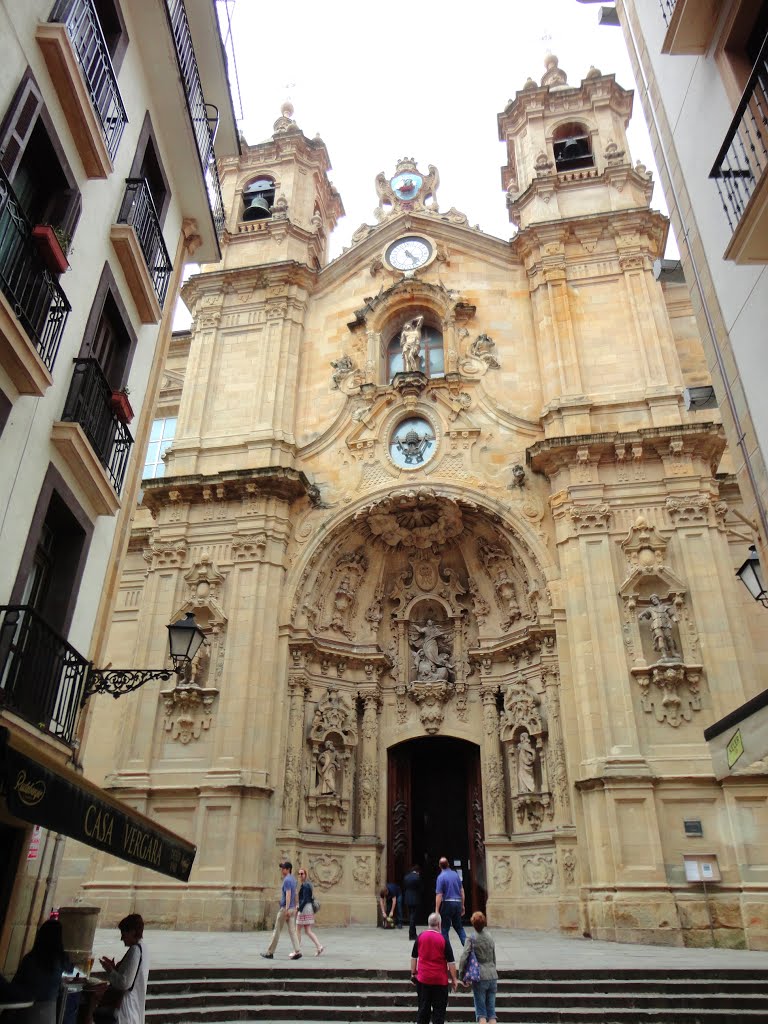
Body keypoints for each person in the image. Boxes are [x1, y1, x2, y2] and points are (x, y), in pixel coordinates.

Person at [6, 919, 71, 1024]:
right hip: (49, 1013)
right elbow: (70, 969)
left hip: (26, 1010)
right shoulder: (61, 959)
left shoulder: (30, 959)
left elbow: (16, 983)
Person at [96, 913, 148, 1024]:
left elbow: (125, 983)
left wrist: (110, 970)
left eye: (123, 934)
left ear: (133, 932)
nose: (122, 939)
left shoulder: (135, 950)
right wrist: (115, 969)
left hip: (126, 1008)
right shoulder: (143, 948)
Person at [410, 911, 458, 1024]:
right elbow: (451, 962)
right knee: (439, 1013)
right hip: (440, 982)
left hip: (423, 980)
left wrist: (413, 973)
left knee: (423, 1011)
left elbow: (413, 957)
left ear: (428, 924)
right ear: (439, 925)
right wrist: (454, 979)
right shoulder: (443, 939)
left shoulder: (420, 937)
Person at [458, 910, 498, 1024]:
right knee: (491, 1013)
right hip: (492, 975)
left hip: (480, 976)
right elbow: (493, 956)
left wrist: (461, 975)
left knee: (481, 1013)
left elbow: (464, 957)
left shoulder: (471, 938)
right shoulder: (490, 936)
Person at [261, 861, 302, 960]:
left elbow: (288, 895)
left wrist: (286, 909)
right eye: (282, 868)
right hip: (292, 908)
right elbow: (296, 893)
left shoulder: (287, 880)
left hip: (286, 908)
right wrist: (297, 905)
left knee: (277, 930)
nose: (282, 870)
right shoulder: (293, 879)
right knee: (292, 931)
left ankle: (270, 952)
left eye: (283, 868)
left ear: (288, 869)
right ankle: (297, 951)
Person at [435, 856, 466, 946]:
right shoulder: (456, 875)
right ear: (448, 864)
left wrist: (437, 910)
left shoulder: (441, 877)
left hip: (447, 903)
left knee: (444, 929)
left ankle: (447, 952)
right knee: (459, 927)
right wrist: (462, 905)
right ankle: (468, 949)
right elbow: (462, 891)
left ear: (439, 866)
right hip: (457, 902)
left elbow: (439, 895)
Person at [296, 868, 323, 956]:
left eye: (302, 874)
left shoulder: (306, 885)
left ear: (305, 875)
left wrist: (299, 908)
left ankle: (297, 950)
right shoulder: (306, 884)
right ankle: (319, 946)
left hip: (305, 908)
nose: (300, 875)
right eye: (299, 874)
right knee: (307, 930)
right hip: (307, 908)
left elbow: (305, 899)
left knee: (298, 929)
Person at [403, 864, 424, 941]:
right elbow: (420, 888)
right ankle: (411, 934)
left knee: (411, 915)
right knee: (413, 917)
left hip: (407, 898)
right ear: (417, 871)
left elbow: (405, 887)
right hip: (415, 898)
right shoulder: (417, 877)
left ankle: (413, 934)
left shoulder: (406, 877)